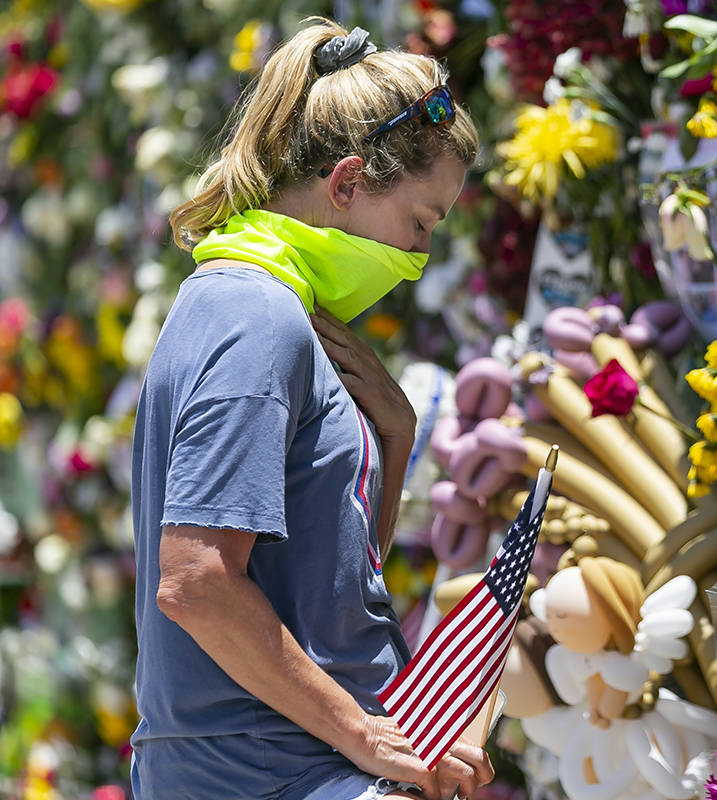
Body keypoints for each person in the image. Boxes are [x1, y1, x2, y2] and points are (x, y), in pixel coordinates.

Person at [130, 18, 494, 799]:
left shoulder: (254, 304)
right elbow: (197, 582)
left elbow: (322, 580)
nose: (421, 256)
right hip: (274, 770)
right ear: (347, 183)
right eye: (421, 223)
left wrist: (394, 442)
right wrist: (366, 734)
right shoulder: (255, 317)